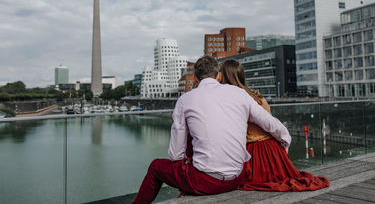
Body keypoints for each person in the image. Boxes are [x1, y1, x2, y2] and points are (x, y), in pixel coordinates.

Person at [133, 56, 291, 203]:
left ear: (195, 78)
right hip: (237, 177)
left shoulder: (185, 100)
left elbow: (176, 155)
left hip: (206, 182)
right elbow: (273, 125)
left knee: (155, 167)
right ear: (219, 76)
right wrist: (285, 142)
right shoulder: (239, 94)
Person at [220, 59, 330, 191]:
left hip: (255, 154)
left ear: (225, 77)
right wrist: (284, 142)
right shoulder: (256, 96)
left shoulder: (235, 100)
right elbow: (270, 123)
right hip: (273, 152)